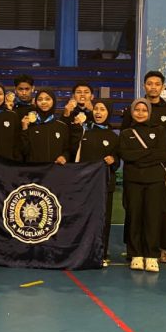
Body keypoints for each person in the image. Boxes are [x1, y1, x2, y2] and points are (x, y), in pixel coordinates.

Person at [121, 70, 166, 264]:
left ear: (162, 87)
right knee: (134, 212)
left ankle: (159, 249)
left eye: (157, 84)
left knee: (158, 211)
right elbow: (124, 143)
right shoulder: (131, 111)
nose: (153, 87)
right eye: (149, 83)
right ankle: (134, 251)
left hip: (158, 171)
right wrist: (144, 156)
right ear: (144, 85)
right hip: (134, 173)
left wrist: (151, 158)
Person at [119, 98, 166, 273]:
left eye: (144, 110)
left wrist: (139, 157)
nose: (140, 113)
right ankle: (136, 254)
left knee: (152, 217)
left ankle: (151, 255)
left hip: (155, 180)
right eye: (137, 110)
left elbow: (162, 153)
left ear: (149, 112)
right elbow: (125, 155)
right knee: (134, 216)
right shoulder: (126, 133)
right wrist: (148, 154)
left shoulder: (159, 130)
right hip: (133, 180)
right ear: (132, 112)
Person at [73, 99, 119, 267]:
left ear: (109, 112)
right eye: (96, 109)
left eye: (103, 109)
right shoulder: (85, 132)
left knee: (103, 220)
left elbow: (117, 161)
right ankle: (80, 252)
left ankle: (101, 253)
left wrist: (113, 160)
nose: (99, 112)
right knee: (82, 218)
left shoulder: (113, 137)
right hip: (85, 185)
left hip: (105, 185)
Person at [20, 89, 70, 164]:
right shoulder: (29, 125)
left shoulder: (62, 126)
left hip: (55, 169)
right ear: (36, 102)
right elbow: (24, 151)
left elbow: (67, 150)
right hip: (34, 169)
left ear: (53, 101)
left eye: (47, 99)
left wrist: (64, 157)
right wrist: (24, 129)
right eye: (40, 99)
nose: (43, 102)